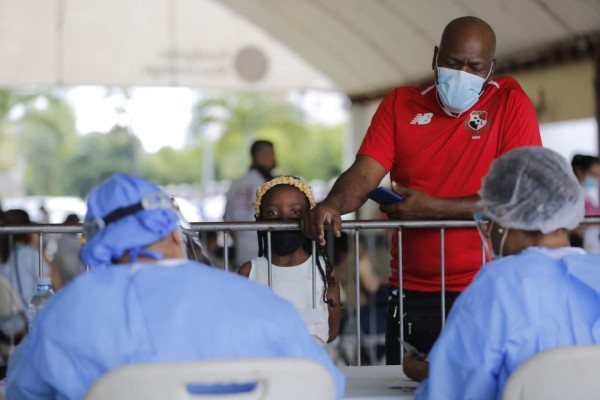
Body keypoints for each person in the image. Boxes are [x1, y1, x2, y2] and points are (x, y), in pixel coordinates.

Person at [301, 16, 542, 364]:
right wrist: (332, 204)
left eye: (474, 66)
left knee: (481, 381)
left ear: (491, 68)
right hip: (411, 292)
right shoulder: (400, 104)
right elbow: (364, 174)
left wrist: (436, 209)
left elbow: (520, 196)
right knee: (404, 382)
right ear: (435, 57)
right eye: (453, 62)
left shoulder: (509, 103)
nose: (462, 73)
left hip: (487, 286)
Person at [5, 173, 344, 400]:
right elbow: (326, 383)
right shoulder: (257, 300)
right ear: (173, 233)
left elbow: (23, 391)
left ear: (96, 243)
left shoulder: (65, 312)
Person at [404, 146, 600, 399]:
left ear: (504, 214)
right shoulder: (594, 272)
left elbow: (455, 391)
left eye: (487, 216)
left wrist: (429, 374)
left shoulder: (497, 285)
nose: (487, 228)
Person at [238, 176, 342, 346]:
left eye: (295, 212)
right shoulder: (249, 272)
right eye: (272, 213)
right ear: (260, 219)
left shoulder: (324, 271)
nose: (283, 220)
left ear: (309, 218)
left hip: (312, 361)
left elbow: (331, 332)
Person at [224, 140, 277, 270]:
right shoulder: (270, 185)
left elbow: (227, 221)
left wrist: (241, 241)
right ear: (267, 155)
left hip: (241, 254)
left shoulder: (236, 184)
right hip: (267, 255)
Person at [0, 209, 52, 307]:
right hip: (28, 313)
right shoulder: (28, 254)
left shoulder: (4, 254)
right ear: (27, 231)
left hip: (6, 314)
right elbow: (57, 283)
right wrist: (39, 249)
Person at [570, 154, 600, 253]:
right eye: (593, 174)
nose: (597, 179)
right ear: (579, 171)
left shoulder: (587, 196)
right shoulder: (570, 195)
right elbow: (571, 227)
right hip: (579, 246)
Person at [51, 214, 85, 291]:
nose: (77, 225)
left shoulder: (71, 239)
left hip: (73, 277)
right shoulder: (65, 240)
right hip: (69, 277)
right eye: (75, 223)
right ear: (69, 223)